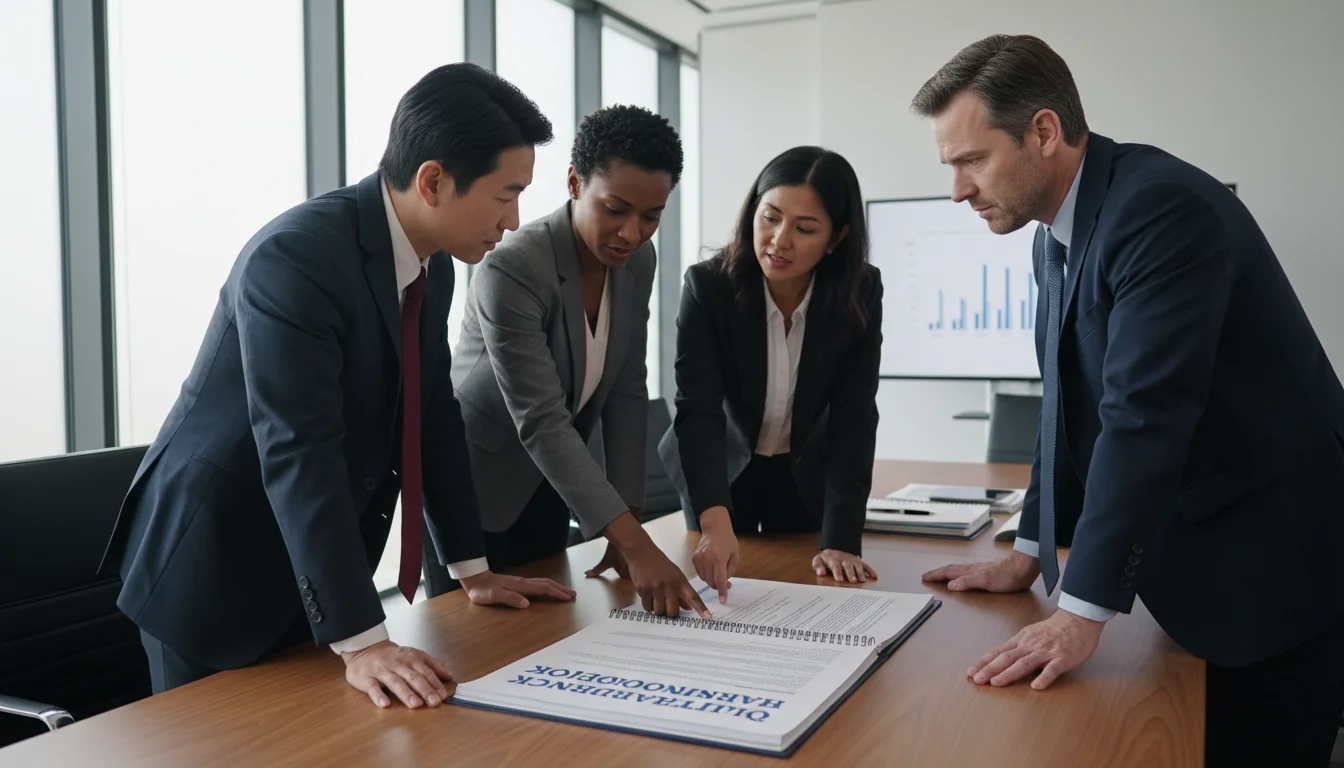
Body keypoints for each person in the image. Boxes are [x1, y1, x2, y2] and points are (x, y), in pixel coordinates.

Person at [911, 34, 1344, 765]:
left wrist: (1080, 613)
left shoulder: (1159, 210)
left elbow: (1142, 415)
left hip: (1273, 567)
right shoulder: (1056, 233)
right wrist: (1028, 552)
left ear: (1043, 132)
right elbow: (1064, 405)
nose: (958, 190)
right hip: (1206, 560)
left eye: (972, 160)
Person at [98, 63, 577, 710]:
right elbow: (300, 448)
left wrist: (473, 568)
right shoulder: (296, 258)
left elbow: (432, 417)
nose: (515, 220)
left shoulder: (431, 268)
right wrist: (363, 640)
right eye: (504, 195)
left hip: (310, 574)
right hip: (213, 569)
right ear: (433, 181)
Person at [444, 104, 709, 620]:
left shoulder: (638, 261)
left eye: (651, 216)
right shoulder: (513, 267)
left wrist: (627, 519)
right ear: (573, 183)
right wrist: (637, 545)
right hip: (475, 486)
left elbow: (627, 389)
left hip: (553, 484)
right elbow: (541, 417)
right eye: (615, 209)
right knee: (476, 642)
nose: (631, 233)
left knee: (549, 630)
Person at [658, 146, 884, 604]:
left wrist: (843, 539)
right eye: (770, 218)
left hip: (802, 475)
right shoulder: (709, 287)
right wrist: (713, 521)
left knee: (800, 589)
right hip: (719, 469)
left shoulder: (859, 290)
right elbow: (698, 410)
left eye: (805, 228)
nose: (780, 240)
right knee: (722, 591)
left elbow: (854, 415)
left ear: (837, 237)